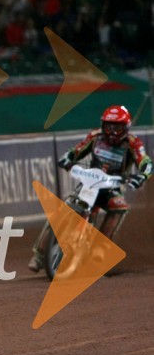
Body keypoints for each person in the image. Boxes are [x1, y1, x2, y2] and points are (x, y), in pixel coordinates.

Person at [28, 105, 152, 272]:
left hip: (112, 186)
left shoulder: (133, 143)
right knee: (63, 210)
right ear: (103, 125)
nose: (112, 132)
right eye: (109, 127)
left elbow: (146, 163)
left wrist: (142, 176)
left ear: (126, 127)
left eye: (117, 127)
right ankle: (40, 254)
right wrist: (68, 159)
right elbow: (76, 150)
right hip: (89, 182)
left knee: (119, 206)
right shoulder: (95, 136)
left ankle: (100, 249)